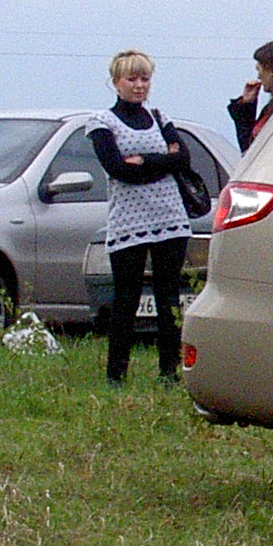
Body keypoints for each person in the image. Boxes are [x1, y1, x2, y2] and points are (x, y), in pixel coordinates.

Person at [91, 50, 193, 385]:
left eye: (144, 79)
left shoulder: (160, 117)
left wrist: (145, 161)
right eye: (131, 79)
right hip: (128, 222)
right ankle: (116, 374)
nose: (139, 85)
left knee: (168, 298)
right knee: (126, 298)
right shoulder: (102, 122)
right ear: (116, 82)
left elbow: (182, 159)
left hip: (169, 218)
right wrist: (161, 160)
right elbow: (117, 169)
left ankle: (169, 372)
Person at [229, 39, 273, 150]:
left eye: (260, 70)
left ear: (272, 71)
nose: (259, 76)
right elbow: (251, 150)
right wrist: (246, 105)